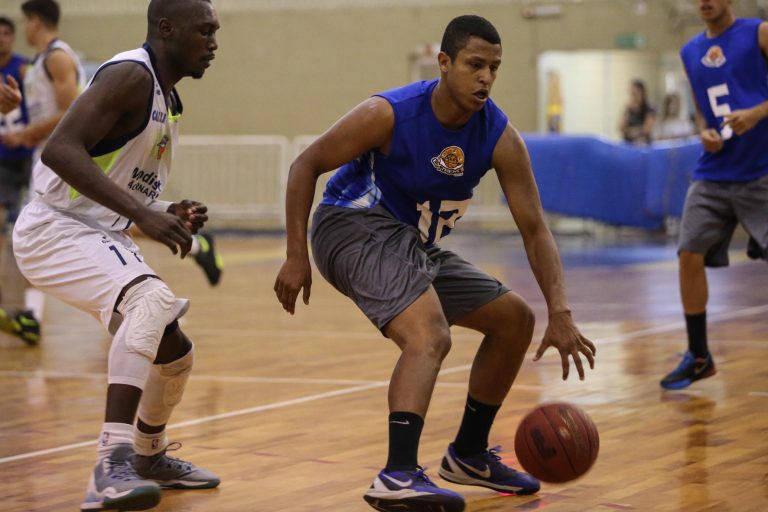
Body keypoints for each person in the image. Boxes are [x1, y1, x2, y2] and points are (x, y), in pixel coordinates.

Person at [274, 15, 596, 512]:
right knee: (429, 335)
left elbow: (535, 230)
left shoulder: (499, 136)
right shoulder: (389, 113)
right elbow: (306, 165)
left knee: (514, 320)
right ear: (444, 63)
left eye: (494, 68)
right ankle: (397, 475)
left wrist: (560, 310)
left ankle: (468, 454)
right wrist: (296, 255)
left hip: (412, 243)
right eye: (475, 65)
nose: (486, 78)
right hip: (351, 226)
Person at [12, 0, 221, 510]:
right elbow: (60, 150)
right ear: (166, 29)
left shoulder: (168, 98)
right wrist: (143, 215)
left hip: (92, 230)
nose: (214, 43)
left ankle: (149, 455)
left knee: (175, 354)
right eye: (204, 31)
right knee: (150, 300)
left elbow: (115, 181)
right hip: (54, 228)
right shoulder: (131, 75)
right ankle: (112, 463)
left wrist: (166, 208)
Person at [660, 0, 768, 390]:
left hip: (761, 169)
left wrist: (757, 112)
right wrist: (704, 131)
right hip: (715, 171)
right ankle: (699, 356)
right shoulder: (690, 51)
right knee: (689, 252)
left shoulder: (759, 33)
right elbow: (704, 111)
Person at [0, 15, 39, 344]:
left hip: (29, 157)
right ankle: (13, 309)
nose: (1, 38)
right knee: (7, 232)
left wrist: (27, 135)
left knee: (24, 231)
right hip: (2, 162)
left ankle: (24, 310)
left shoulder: (25, 69)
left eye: (6, 33)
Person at [619, 79, 656, 145]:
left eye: (635, 93)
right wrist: (628, 110)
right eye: (632, 94)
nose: (634, 96)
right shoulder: (628, 108)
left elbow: (646, 130)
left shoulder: (650, 108)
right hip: (629, 144)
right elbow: (621, 128)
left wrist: (630, 132)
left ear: (642, 93)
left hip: (644, 144)